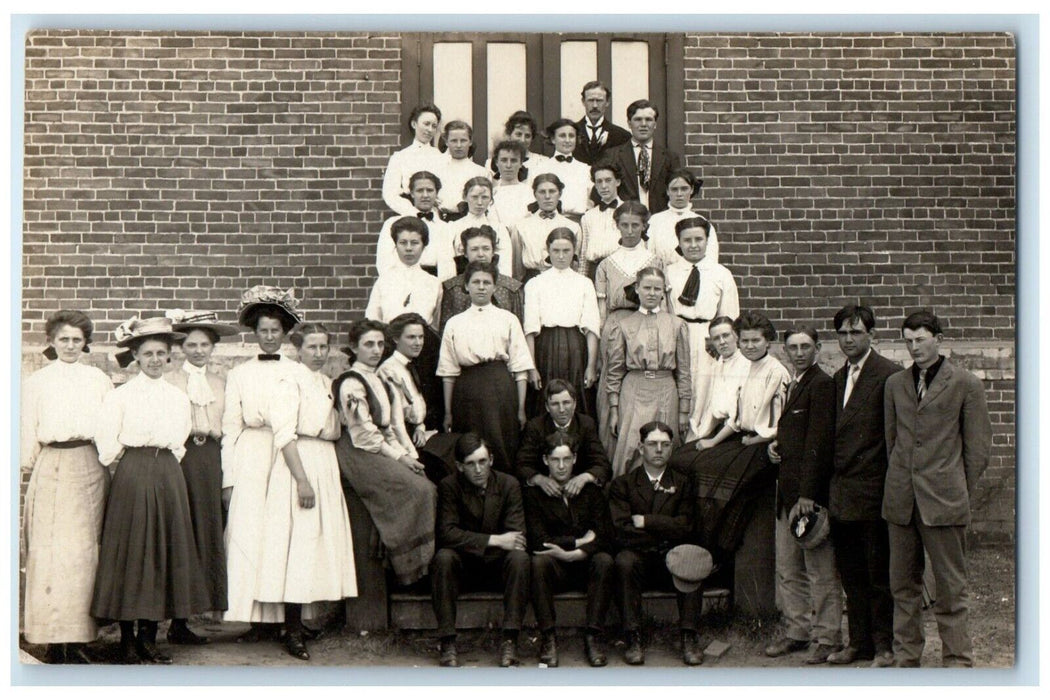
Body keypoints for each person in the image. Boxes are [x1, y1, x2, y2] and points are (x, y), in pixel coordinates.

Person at [90, 316, 209, 665]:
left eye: (161, 353)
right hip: (133, 471)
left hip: (168, 472)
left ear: (169, 357)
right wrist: (132, 464)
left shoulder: (177, 396)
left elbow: (181, 441)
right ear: (137, 358)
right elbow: (107, 444)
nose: (155, 359)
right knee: (133, 552)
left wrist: (164, 465)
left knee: (163, 552)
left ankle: (149, 637)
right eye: (148, 354)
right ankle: (127, 640)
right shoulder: (121, 395)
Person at [883, 311, 991, 668]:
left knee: (950, 587)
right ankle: (906, 656)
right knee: (902, 586)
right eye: (909, 341)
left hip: (944, 500)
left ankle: (957, 659)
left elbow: (977, 449)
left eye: (921, 340)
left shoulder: (965, 383)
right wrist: (903, 480)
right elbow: (892, 441)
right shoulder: (896, 384)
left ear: (939, 338)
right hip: (901, 500)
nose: (915, 347)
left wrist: (956, 488)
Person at [251, 322, 358, 661]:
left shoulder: (327, 383)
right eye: (312, 347)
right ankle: (291, 628)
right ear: (299, 349)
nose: (319, 353)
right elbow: (283, 435)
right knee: (297, 543)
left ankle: (302, 621)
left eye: (324, 347)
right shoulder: (289, 381)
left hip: (325, 461)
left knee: (317, 544)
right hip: (300, 463)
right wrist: (302, 480)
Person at [20, 310, 113, 664]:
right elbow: (28, 427)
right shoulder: (37, 382)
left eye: (77, 340)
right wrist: (23, 465)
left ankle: (78, 637)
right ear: (52, 342)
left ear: (85, 342)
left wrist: (107, 463)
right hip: (52, 464)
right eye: (64, 339)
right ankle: (51, 638)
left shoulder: (98, 380)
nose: (70, 346)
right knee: (50, 552)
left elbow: (107, 426)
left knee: (83, 553)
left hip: (89, 464)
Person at [222, 286, 308, 644]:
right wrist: (229, 479)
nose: (270, 337)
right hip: (252, 455)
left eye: (275, 331)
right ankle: (258, 620)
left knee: (283, 535)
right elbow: (230, 426)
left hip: (286, 454)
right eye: (263, 332)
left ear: (285, 333)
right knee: (251, 535)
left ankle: (291, 622)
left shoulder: (299, 371)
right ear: (254, 334)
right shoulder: (239, 374)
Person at [669, 311, 790, 565]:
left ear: (767, 341)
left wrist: (755, 440)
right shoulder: (746, 369)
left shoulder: (775, 371)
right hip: (743, 438)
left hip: (763, 445)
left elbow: (778, 423)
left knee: (710, 472)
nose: (749, 346)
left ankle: (717, 549)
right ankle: (689, 540)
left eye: (755, 341)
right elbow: (735, 415)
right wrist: (711, 440)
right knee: (682, 458)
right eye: (744, 341)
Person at [333, 319, 438, 587]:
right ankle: (407, 565)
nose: (376, 350)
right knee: (420, 491)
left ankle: (406, 558)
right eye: (368, 344)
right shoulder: (351, 383)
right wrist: (399, 458)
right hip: (358, 451)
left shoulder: (379, 378)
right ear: (354, 348)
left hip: (378, 446)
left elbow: (390, 427)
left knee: (426, 482)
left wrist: (408, 456)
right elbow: (364, 433)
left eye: (380, 344)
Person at [825, 304, 901, 667]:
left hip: (874, 492)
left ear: (872, 334)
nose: (849, 339)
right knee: (851, 575)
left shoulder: (889, 375)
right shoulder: (838, 377)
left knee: (878, 574)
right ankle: (859, 643)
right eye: (842, 333)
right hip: (842, 494)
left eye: (856, 332)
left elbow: (895, 438)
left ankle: (884, 645)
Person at [762, 325, 842, 664]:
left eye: (806, 346)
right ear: (784, 350)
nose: (799, 352)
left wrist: (808, 495)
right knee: (788, 568)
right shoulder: (793, 383)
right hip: (787, 492)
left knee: (820, 570)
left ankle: (827, 637)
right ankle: (797, 631)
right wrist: (775, 447)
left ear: (818, 348)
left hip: (808, 498)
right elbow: (796, 434)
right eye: (792, 346)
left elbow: (819, 444)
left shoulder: (822, 384)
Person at [164, 309, 241, 644]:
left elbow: (230, 429)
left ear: (213, 348)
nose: (197, 350)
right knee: (179, 531)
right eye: (192, 344)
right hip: (179, 457)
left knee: (207, 529)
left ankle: (198, 615)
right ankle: (174, 620)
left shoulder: (222, 383)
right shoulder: (169, 381)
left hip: (211, 458)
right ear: (182, 348)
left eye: (204, 345)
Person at [431, 433, 530, 668]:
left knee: (520, 558)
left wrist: (491, 543)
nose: (478, 469)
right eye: (470, 464)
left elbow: (517, 537)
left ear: (492, 460)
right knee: (443, 558)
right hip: (465, 568)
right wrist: (495, 540)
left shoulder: (508, 484)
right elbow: (447, 534)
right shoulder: (449, 486)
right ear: (459, 466)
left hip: (499, 568)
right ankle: (447, 641)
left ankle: (510, 640)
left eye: (482, 461)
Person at [609, 421, 704, 666]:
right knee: (624, 561)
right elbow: (621, 531)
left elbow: (687, 527)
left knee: (690, 557)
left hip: (670, 560)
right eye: (652, 444)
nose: (659, 449)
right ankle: (633, 636)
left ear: (672, 448)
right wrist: (665, 529)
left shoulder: (683, 483)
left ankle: (689, 635)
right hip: (638, 560)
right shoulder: (624, 484)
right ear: (641, 448)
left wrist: (647, 521)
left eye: (665, 444)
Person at [525, 432, 615, 667]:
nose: (562, 466)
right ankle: (548, 637)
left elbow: (605, 535)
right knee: (538, 562)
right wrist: (577, 542)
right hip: (555, 568)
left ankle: (593, 636)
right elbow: (539, 540)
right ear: (546, 460)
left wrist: (577, 553)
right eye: (555, 460)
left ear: (575, 458)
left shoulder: (590, 491)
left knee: (604, 560)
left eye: (566, 459)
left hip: (586, 566)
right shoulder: (535, 494)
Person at [437, 261, 535, 474]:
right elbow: (448, 371)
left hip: (501, 388)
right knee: (471, 446)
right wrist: (447, 412)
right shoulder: (455, 323)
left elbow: (520, 367)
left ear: (494, 286)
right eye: (476, 282)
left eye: (487, 282)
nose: (481, 287)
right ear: (466, 286)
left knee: (502, 445)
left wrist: (520, 408)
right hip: (467, 391)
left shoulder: (508, 319)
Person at [606, 266, 691, 478]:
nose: (652, 293)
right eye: (647, 288)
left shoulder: (677, 325)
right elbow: (615, 371)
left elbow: (684, 371)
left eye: (657, 288)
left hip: (666, 389)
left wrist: (683, 410)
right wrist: (614, 409)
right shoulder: (624, 325)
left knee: (664, 444)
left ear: (664, 291)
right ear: (637, 289)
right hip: (634, 389)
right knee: (630, 445)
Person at [594, 201, 662, 453]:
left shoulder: (654, 261)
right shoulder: (606, 264)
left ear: (644, 226)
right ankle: (612, 454)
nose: (630, 231)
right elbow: (602, 310)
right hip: (615, 326)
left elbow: (661, 305)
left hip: (648, 325)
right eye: (625, 225)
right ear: (617, 226)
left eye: (636, 225)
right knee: (613, 386)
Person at [365, 215, 445, 424]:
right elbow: (372, 319)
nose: (409, 249)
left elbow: (434, 323)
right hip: (390, 351)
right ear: (396, 245)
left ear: (424, 246)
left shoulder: (433, 283)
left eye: (415, 243)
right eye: (403, 243)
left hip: (423, 354)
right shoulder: (384, 281)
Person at [664, 216, 739, 440]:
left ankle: (699, 440)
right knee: (680, 388)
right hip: (677, 335)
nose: (693, 245)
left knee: (706, 390)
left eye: (699, 239)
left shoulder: (720, 274)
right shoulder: (669, 272)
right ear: (679, 242)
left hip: (708, 340)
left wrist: (719, 342)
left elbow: (729, 315)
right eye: (687, 240)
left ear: (707, 241)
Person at [522, 228, 600, 418]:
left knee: (575, 397)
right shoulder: (535, 283)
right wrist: (532, 368)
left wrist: (591, 366)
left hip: (576, 348)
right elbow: (530, 329)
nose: (561, 256)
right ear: (548, 250)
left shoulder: (584, 283)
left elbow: (591, 327)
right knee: (546, 397)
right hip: (545, 347)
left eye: (566, 251)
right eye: (556, 251)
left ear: (574, 250)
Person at [515, 379, 612, 493]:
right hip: (546, 491)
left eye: (566, 402)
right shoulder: (535, 426)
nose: (561, 409)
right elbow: (521, 464)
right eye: (555, 404)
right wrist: (539, 479)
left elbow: (602, 463)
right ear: (547, 407)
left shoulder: (586, 424)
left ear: (574, 403)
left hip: (579, 491)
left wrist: (585, 477)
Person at [597, 99, 683, 213]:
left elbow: (677, 190)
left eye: (648, 120)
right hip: (626, 221)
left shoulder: (670, 157)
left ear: (655, 124)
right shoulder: (613, 155)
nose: (643, 124)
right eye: (638, 120)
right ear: (629, 123)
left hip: (660, 219)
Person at [440, 225, 523, 335]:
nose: (480, 254)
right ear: (465, 253)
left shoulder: (511, 288)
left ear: (493, 252)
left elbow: (517, 332)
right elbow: (446, 332)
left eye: (486, 249)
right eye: (474, 249)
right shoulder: (452, 288)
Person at [375, 170, 455, 279]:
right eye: (420, 190)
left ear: (436, 193)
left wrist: (439, 290)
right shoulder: (392, 224)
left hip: (434, 285)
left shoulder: (444, 228)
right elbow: (384, 262)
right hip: (402, 282)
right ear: (412, 193)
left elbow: (447, 266)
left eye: (430, 190)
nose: (425, 195)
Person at [690, 316, 752, 448]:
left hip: (738, 434)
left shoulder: (746, 364)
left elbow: (737, 419)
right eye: (716, 338)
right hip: (720, 430)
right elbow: (713, 410)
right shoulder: (718, 364)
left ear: (736, 336)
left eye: (726, 335)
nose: (722, 342)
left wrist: (712, 442)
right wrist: (699, 436)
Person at [510, 174, 582, 284]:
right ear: (535, 195)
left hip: (563, 282)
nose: (547, 196)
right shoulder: (521, 226)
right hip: (531, 281)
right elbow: (516, 269)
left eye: (552, 191)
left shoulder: (572, 227)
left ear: (560, 194)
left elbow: (575, 264)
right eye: (542, 192)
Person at [647, 169, 720, 267]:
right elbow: (648, 254)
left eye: (684, 189)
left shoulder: (701, 222)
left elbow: (711, 259)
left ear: (692, 189)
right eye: (674, 189)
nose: (679, 194)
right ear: (668, 191)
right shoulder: (655, 221)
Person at [382, 103, 445, 216]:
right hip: (409, 216)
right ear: (414, 124)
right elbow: (389, 194)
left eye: (434, 126)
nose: (429, 129)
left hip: (436, 217)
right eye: (426, 124)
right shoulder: (400, 157)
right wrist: (413, 213)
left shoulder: (441, 157)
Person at [446, 176, 514, 279]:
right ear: (465, 197)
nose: (479, 203)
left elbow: (505, 266)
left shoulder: (499, 228)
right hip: (460, 284)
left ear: (491, 198)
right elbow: (447, 264)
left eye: (485, 197)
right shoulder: (453, 227)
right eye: (474, 197)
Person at [531, 118, 593, 218]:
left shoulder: (585, 169)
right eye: (562, 136)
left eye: (571, 136)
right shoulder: (542, 168)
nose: (567, 140)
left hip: (579, 221)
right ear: (553, 139)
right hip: (550, 220)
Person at [577, 162, 624, 281]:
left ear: (617, 182)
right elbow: (584, 255)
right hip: (595, 271)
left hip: (621, 270)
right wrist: (582, 281)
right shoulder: (588, 216)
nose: (604, 186)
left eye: (608, 180)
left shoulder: (629, 211)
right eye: (599, 181)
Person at [435, 120, 489, 220]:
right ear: (446, 142)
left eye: (463, 140)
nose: (459, 145)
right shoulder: (437, 169)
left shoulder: (480, 172)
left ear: (470, 141)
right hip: (442, 221)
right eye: (454, 140)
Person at [573, 80, 631, 165]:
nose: (595, 106)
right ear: (583, 101)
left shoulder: (622, 136)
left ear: (607, 102)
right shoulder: (571, 132)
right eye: (590, 100)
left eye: (599, 100)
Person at [489, 109, 549, 185]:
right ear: (509, 135)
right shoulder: (493, 163)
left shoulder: (542, 162)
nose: (523, 140)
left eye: (527, 136)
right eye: (518, 134)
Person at [490, 139, 535, 231]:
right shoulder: (491, 194)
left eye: (513, 160)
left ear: (521, 163)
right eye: (504, 160)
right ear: (496, 162)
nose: (508, 165)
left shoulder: (530, 193)